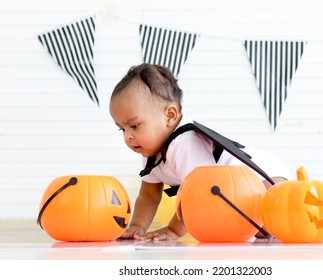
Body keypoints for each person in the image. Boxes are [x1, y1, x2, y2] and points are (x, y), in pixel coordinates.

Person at [109, 63, 291, 241]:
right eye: (122, 129)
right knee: (250, 228)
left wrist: (174, 230)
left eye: (134, 126)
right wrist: (137, 227)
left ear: (170, 116)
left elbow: (200, 195)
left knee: (270, 221)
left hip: (265, 176)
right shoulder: (151, 151)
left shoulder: (185, 143)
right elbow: (148, 196)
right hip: (233, 195)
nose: (128, 137)